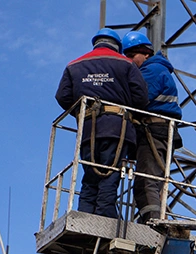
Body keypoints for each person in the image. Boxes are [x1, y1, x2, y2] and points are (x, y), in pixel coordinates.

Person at [55, 28, 148, 218]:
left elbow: (62, 96)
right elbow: (141, 98)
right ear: (117, 46)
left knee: (90, 175)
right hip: (116, 128)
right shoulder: (126, 64)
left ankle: (85, 215)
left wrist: (84, 112)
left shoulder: (74, 65)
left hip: (88, 129)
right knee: (110, 173)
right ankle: (106, 215)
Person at [121, 30, 182, 222]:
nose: (130, 60)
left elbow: (138, 99)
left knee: (146, 180)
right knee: (154, 179)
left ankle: (152, 222)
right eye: (126, 56)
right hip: (161, 131)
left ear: (146, 53)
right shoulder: (156, 69)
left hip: (154, 131)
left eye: (132, 56)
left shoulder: (151, 71)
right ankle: (154, 217)